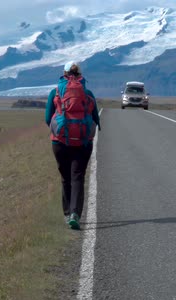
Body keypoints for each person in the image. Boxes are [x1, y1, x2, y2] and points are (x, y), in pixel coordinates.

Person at [45, 61, 100, 230]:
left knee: (65, 178)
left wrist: (61, 130)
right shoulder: (88, 93)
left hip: (59, 142)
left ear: (64, 73)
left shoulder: (55, 93)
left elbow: (48, 118)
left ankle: (67, 213)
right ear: (79, 74)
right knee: (77, 177)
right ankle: (75, 214)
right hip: (83, 143)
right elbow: (96, 119)